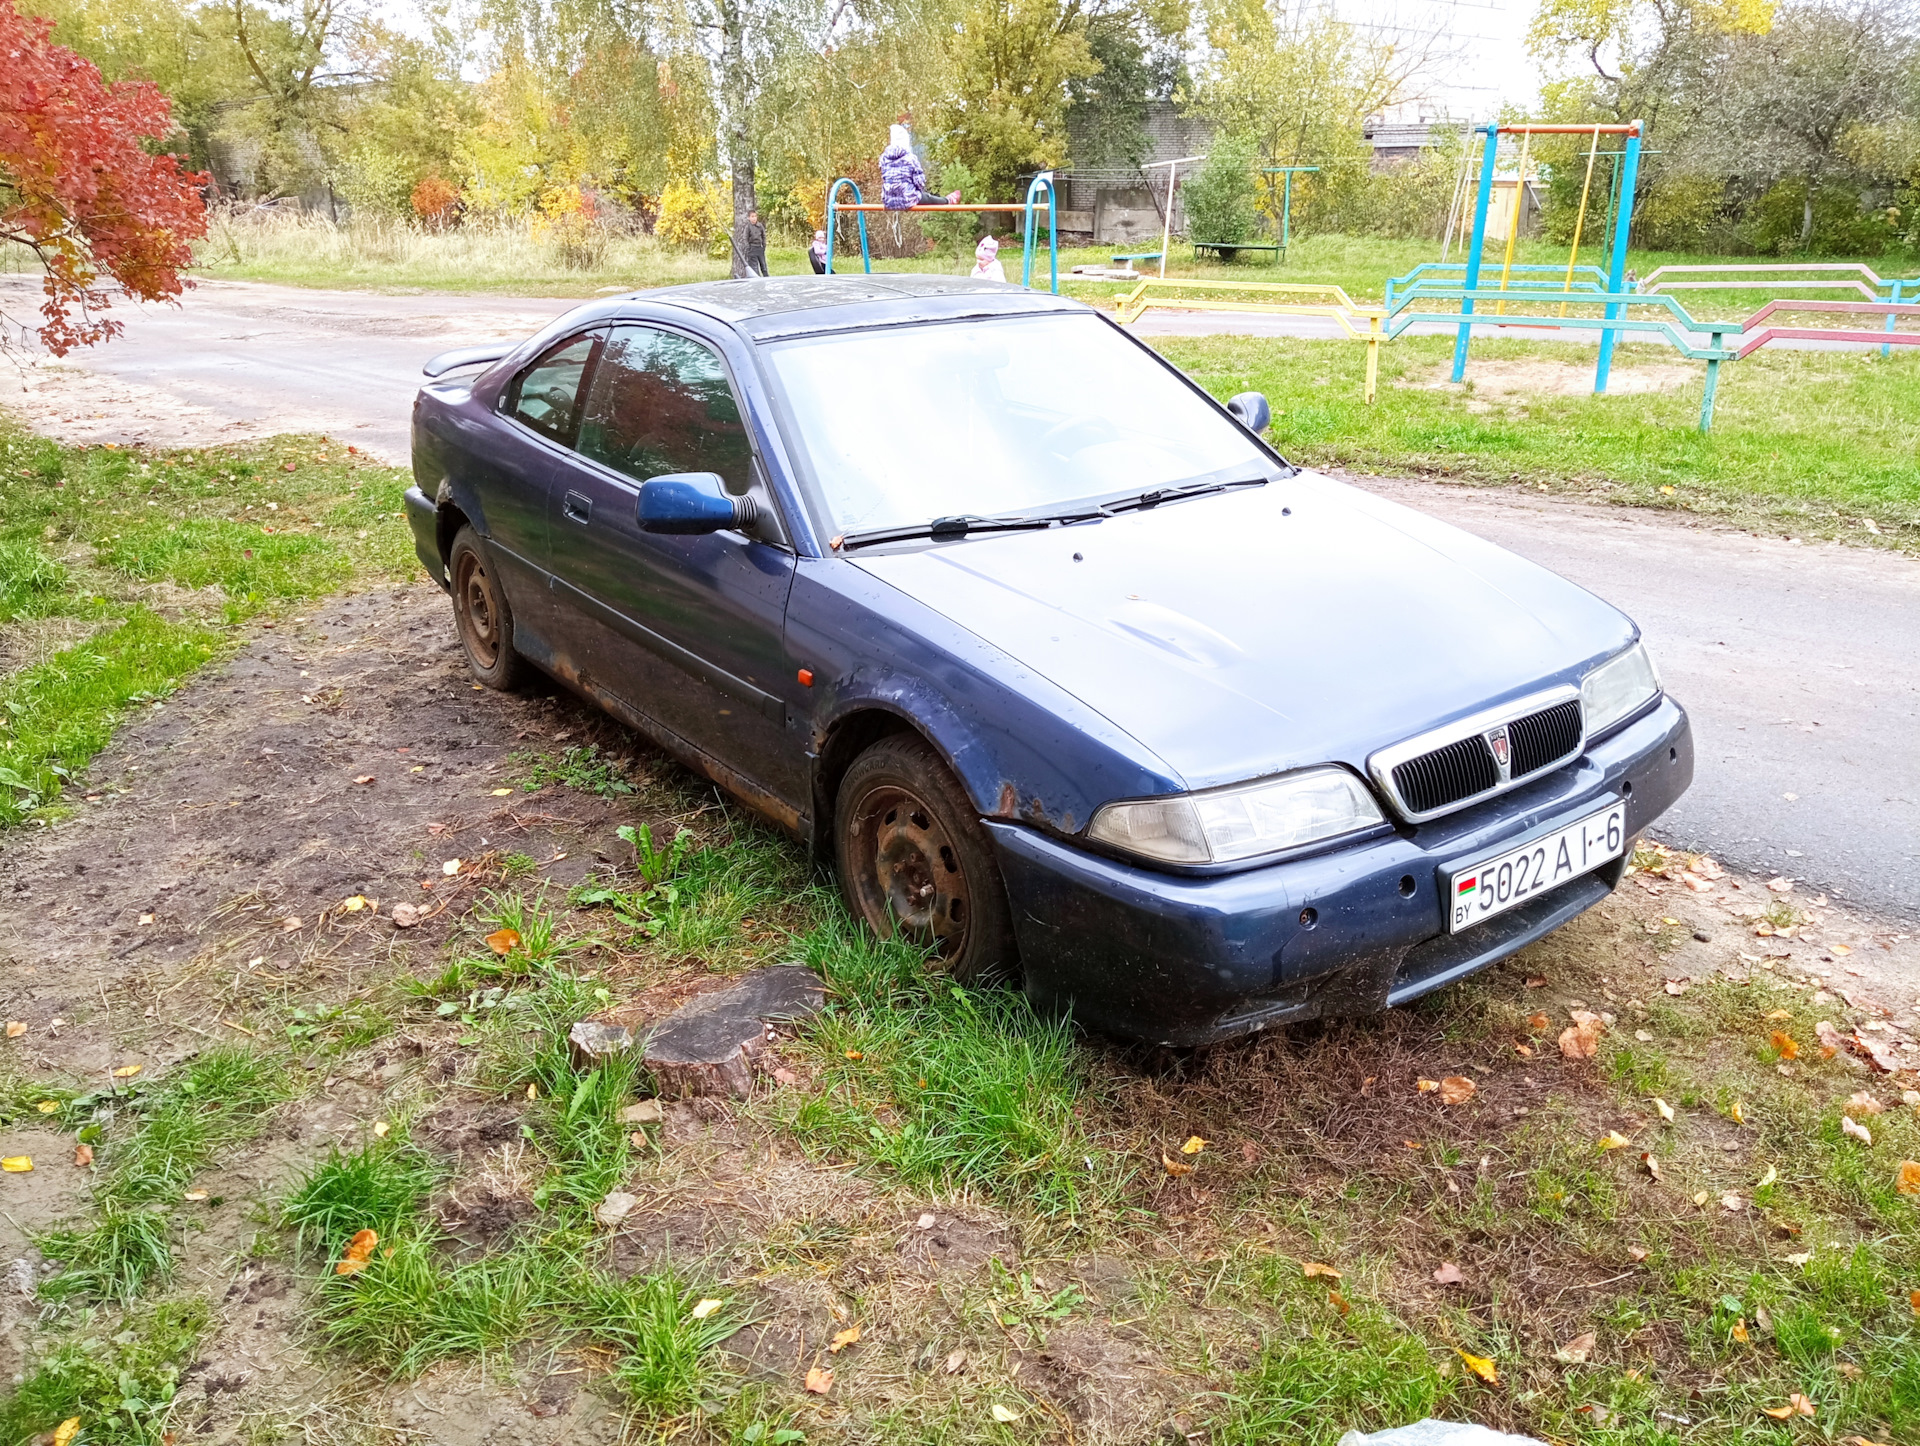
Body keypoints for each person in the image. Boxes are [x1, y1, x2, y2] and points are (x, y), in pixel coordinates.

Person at [880, 119, 960, 210]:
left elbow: (885, 177)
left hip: (888, 200)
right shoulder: (910, 158)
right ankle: (947, 201)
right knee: (926, 197)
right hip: (907, 198)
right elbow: (919, 181)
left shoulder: (884, 158)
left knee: (916, 195)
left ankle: (947, 201)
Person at [743, 209, 768, 277]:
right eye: (752, 216)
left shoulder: (760, 226)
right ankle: (757, 281)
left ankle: (766, 278)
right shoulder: (748, 227)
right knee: (754, 267)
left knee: (764, 266)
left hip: (759, 248)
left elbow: (763, 236)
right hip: (752, 248)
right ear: (749, 218)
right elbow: (745, 238)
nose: (754, 218)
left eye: (755, 216)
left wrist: (764, 245)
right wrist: (748, 247)